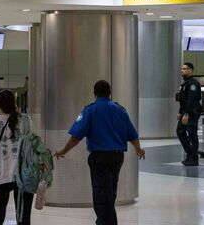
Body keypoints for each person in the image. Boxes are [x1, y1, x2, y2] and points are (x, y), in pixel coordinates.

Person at [55, 80, 145, 225]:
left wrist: (64, 150)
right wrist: (139, 150)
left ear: (94, 93)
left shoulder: (90, 110)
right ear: (109, 93)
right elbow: (133, 134)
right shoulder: (120, 110)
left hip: (99, 158)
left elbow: (76, 136)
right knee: (110, 192)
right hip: (117, 157)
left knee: (101, 194)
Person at [0, 90, 35, 225]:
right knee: (24, 220)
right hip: (24, 178)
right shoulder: (26, 121)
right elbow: (32, 150)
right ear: (14, 104)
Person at [176, 62, 202, 166]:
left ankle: (194, 158)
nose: (182, 70)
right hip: (184, 112)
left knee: (192, 135)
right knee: (180, 132)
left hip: (191, 113)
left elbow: (192, 100)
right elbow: (183, 100)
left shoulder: (193, 84)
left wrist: (186, 114)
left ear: (191, 70)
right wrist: (180, 112)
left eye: (185, 69)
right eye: (182, 69)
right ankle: (190, 154)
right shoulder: (185, 84)